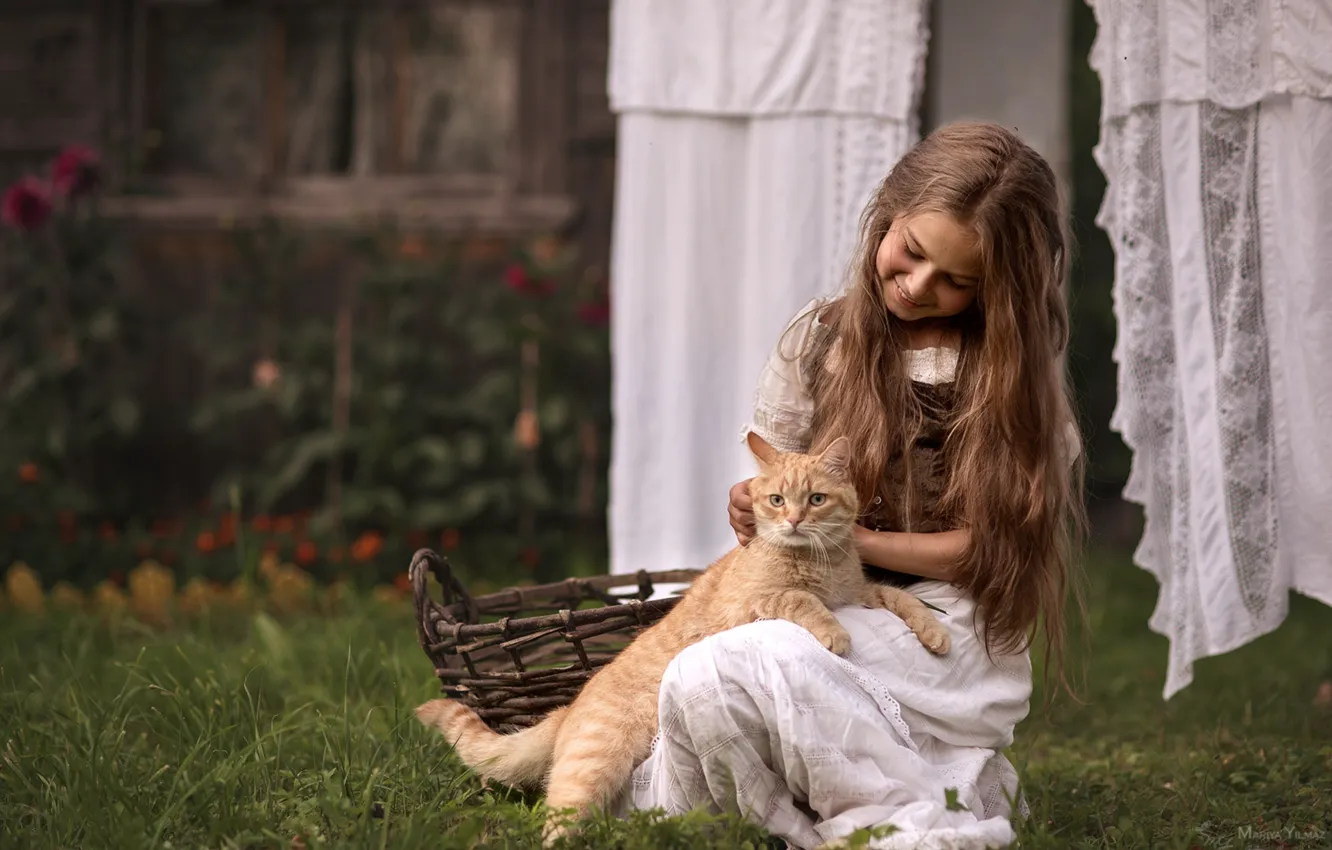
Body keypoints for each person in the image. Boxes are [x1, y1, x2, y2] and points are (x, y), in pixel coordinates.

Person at [618, 122, 1086, 849]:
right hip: (833, 605)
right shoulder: (819, 340)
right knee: (700, 678)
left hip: (950, 636)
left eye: (958, 281)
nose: (919, 285)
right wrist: (754, 510)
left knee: (743, 668)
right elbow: (787, 481)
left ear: (998, 289)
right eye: (914, 252)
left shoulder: (1006, 378)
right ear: (887, 215)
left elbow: (994, 548)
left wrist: (862, 540)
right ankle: (920, 790)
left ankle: (904, 825)